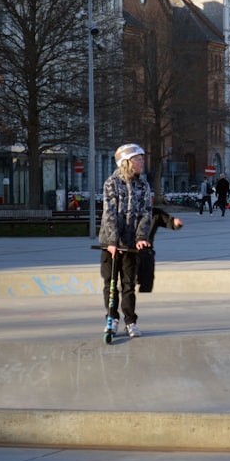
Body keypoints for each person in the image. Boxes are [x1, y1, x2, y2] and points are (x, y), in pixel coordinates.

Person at [98, 143, 153, 338]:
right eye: (138, 159)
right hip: (111, 244)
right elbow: (109, 213)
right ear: (127, 162)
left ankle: (130, 320)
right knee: (111, 283)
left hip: (130, 244)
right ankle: (111, 318)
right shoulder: (111, 183)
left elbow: (146, 213)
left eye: (142, 158)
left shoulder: (143, 184)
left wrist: (140, 237)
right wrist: (112, 241)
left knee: (128, 284)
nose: (142, 162)